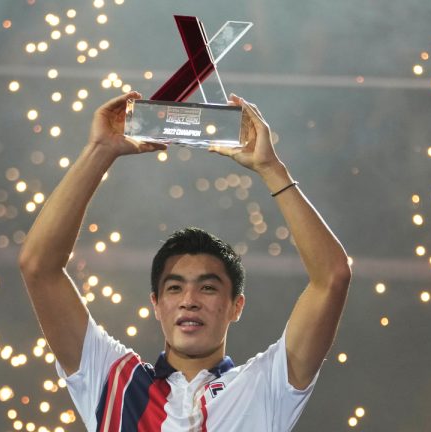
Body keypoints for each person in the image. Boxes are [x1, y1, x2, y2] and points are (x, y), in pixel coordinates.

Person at [19, 91, 351, 431]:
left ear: (236, 306)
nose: (189, 301)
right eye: (175, 288)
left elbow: (333, 278)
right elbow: (38, 266)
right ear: (157, 304)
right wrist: (99, 151)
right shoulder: (112, 379)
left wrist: (271, 169)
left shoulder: (265, 387)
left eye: (208, 288)